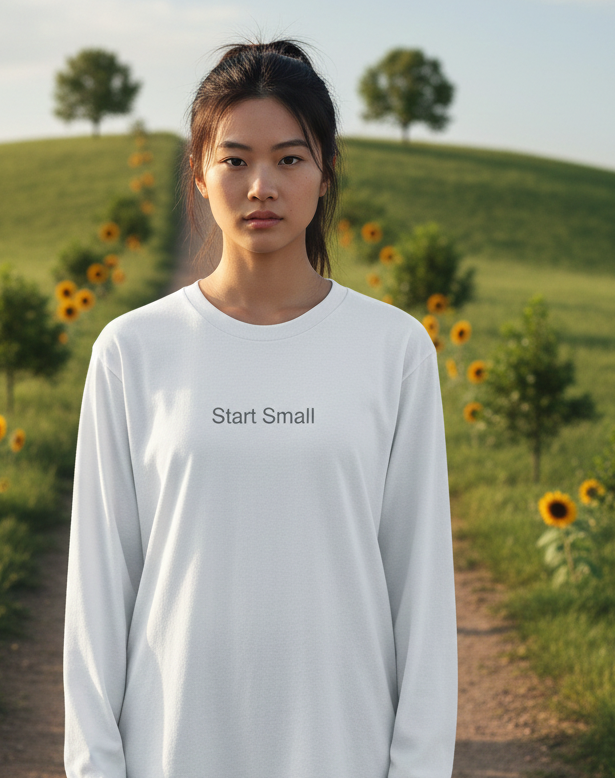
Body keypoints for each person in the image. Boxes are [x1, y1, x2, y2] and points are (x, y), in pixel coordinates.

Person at [63, 38, 458, 778]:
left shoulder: (394, 348)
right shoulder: (131, 351)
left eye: (289, 158)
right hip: (171, 747)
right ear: (200, 172)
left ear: (326, 169)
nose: (261, 187)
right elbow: (98, 590)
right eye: (235, 159)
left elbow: (423, 591)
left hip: (344, 746)